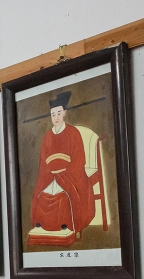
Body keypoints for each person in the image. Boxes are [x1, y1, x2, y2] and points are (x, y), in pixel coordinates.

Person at [30, 91, 96, 239]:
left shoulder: (73, 133)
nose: (56, 117)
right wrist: (50, 175)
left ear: (65, 113)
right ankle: (45, 226)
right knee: (42, 196)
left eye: (59, 113)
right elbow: (43, 163)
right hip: (50, 175)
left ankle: (65, 226)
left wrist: (64, 174)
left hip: (70, 175)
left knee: (63, 197)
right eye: (53, 114)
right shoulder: (47, 137)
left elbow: (79, 159)